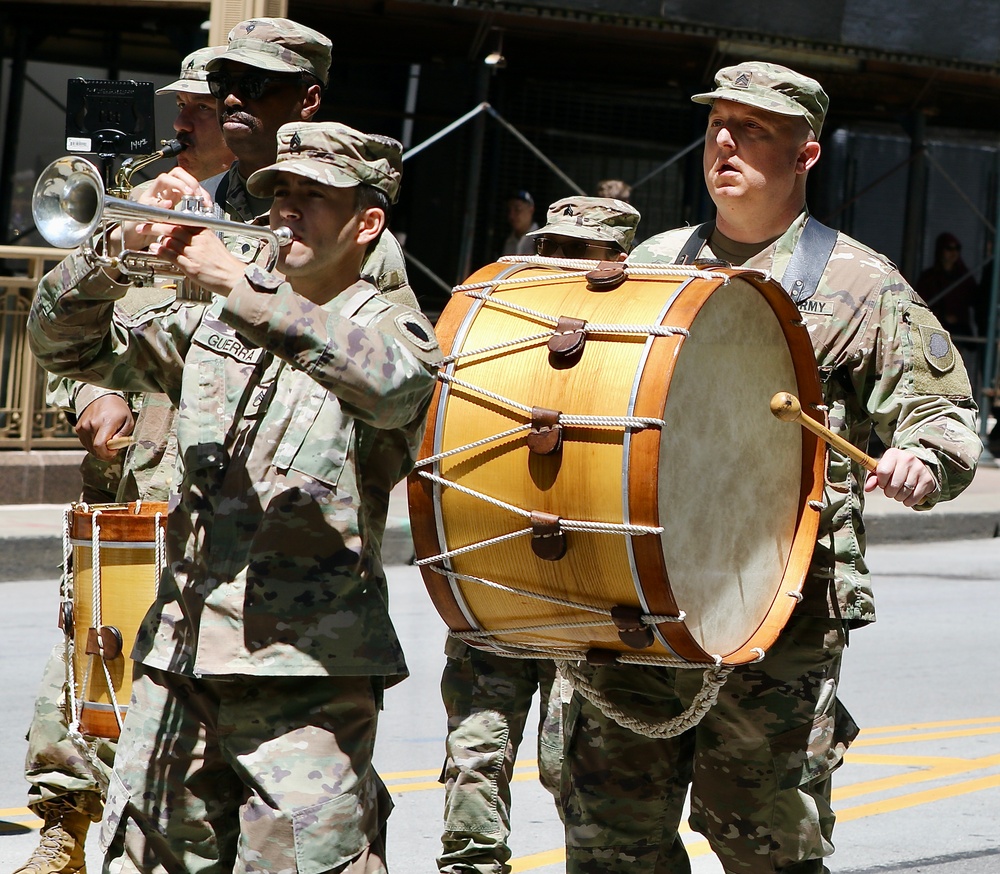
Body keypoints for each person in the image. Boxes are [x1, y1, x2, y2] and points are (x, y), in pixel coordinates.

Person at [558, 61, 983, 874]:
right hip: (641, 595)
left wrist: (924, 459)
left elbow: (944, 415)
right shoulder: (651, 261)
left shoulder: (858, 283)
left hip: (778, 608)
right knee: (611, 838)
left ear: (806, 156)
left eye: (753, 128)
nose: (725, 140)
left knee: (763, 842)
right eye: (718, 122)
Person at [28, 119, 440, 874]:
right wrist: (110, 256)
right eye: (278, 193)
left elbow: (391, 387)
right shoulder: (217, 322)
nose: (286, 211)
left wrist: (239, 287)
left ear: (366, 222)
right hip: (179, 657)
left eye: (311, 197)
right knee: (148, 860)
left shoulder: (393, 327)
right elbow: (66, 347)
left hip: (307, 674)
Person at [14, 45, 234, 874]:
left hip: (222, 477)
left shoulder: (283, 202)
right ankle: (63, 827)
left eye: (203, 105)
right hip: (134, 469)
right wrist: (86, 398)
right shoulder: (137, 182)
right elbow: (82, 331)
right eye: (179, 101)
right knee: (90, 642)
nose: (183, 116)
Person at [438, 196, 641, 874]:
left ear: (618, 262)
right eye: (552, 245)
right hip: (494, 571)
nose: (560, 262)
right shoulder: (503, 319)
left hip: (586, 586)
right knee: (475, 754)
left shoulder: (635, 345)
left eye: (579, 252)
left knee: (581, 777)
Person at [915, 232, 980, 338]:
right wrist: (941, 315)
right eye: (949, 248)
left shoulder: (965, 278)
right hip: (934, 330)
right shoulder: (929, 278)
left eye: (957, 248)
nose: (953, 252)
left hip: (959, 333)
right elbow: (920, 303)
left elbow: (976, 300)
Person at [500, 189, 538, 257]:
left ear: (531, 210)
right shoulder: (505, 242)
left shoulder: (542, 241)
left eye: (517, 210)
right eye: (509, 210)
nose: (511, 216)